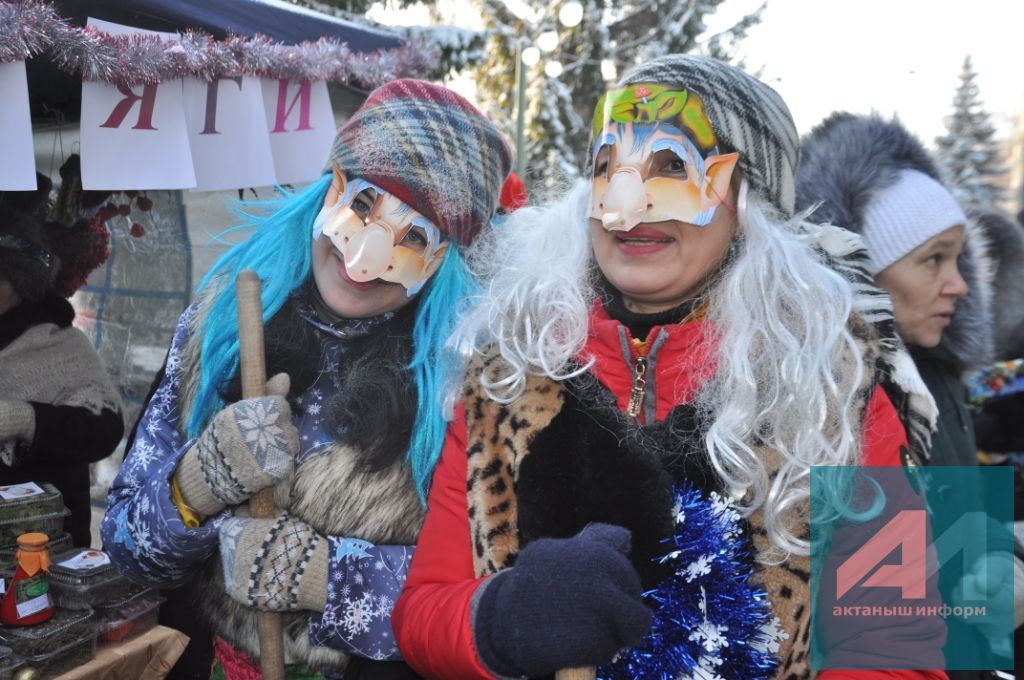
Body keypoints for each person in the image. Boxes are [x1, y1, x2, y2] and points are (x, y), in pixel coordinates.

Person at [393, 55, 947, 680]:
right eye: (609, 168)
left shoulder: (836, 389)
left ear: (747, 206)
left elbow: (898, 649)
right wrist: (504, 619)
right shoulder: (508, 376)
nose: (627, 205)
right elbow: (421, 614)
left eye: (671, 168)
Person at [101, 79, 511, 678]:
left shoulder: (475, 384)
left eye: (413, 236)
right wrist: (196, 486)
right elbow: (127, 551)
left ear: (447, 260)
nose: (364, 257)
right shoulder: (218, 328)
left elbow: (490, 596)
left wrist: (331, 576)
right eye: (363, 206)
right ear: (328, 192)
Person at [795, 112, 1024, 679]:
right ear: (868, 270)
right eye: (933, 259)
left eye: (958, 256)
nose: (961, 283)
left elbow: (963, 513)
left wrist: (1004, 561)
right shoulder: (829, 394)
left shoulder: (935, 376)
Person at [0, 188, 124, 548]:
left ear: (22, 283)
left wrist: (27, 419)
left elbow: (105, 428)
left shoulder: (61, 345)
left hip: (43, 548)